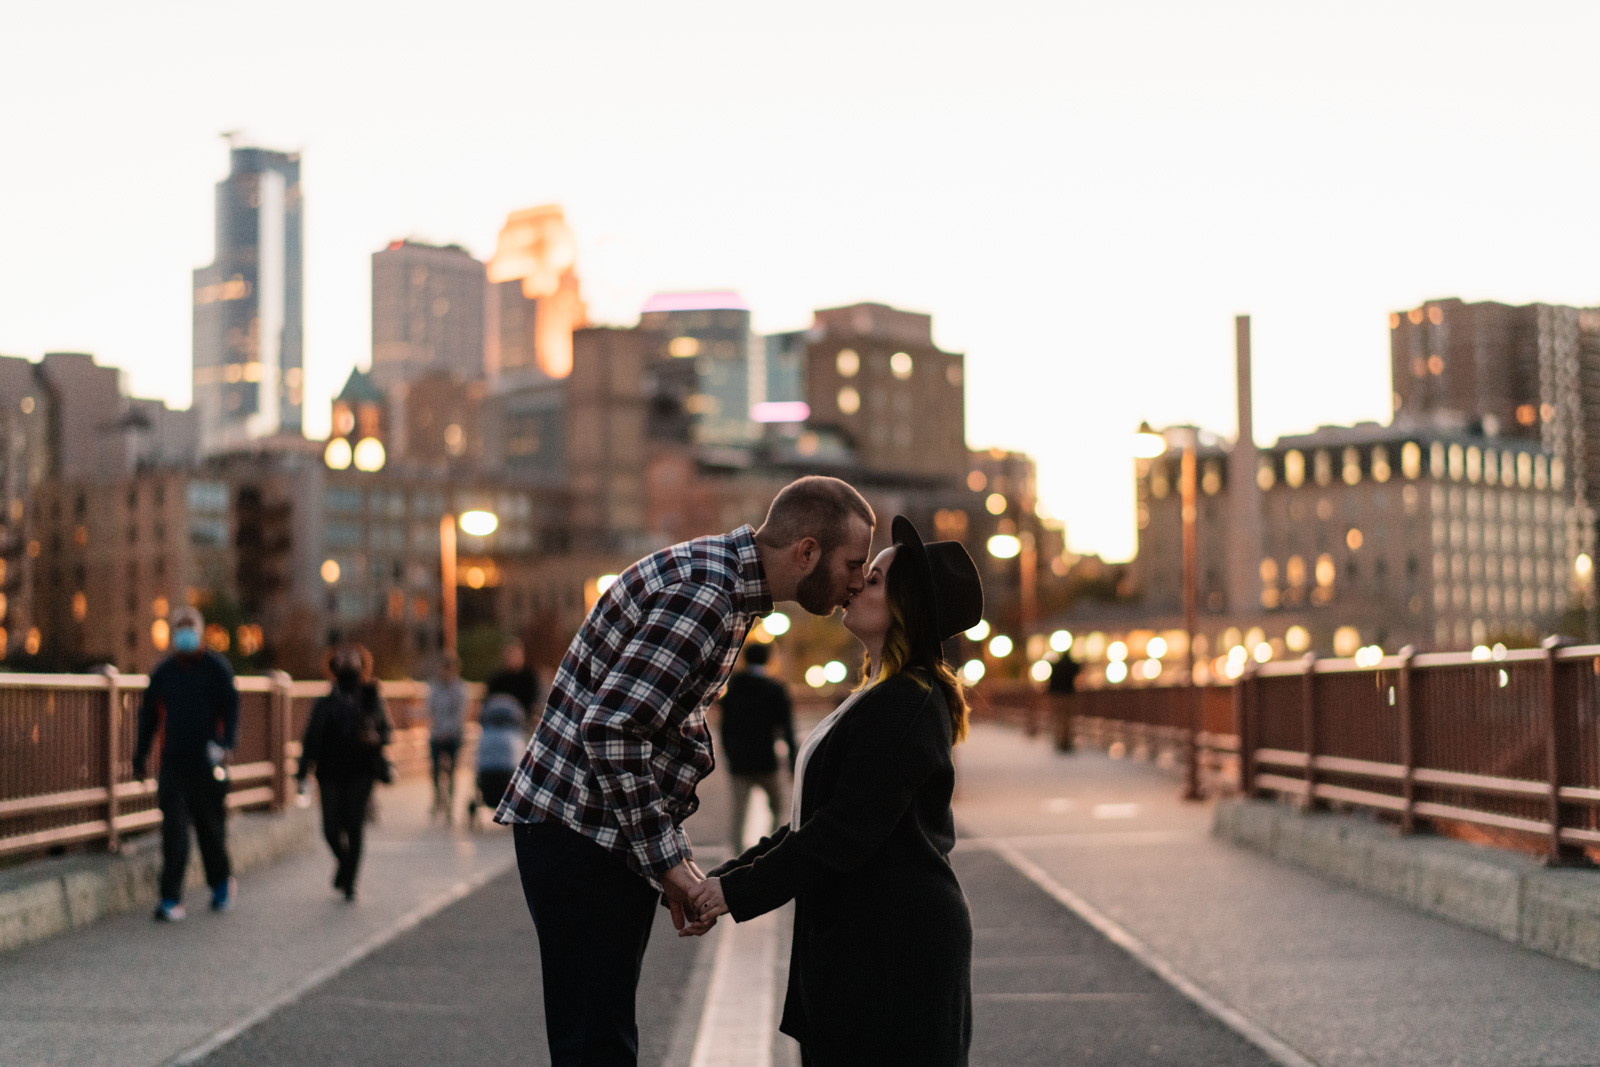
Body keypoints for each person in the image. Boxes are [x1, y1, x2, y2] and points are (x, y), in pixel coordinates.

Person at [496, 475, 876, 1067]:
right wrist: (670, 865)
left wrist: (670, 857)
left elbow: (645, 727)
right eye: (853, 564)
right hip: (580, 834)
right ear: (806, 552)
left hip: (590, 830)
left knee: (599, 1036)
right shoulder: (708, 596)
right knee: (596, 1044)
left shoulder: (719, 581)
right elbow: (614, 729)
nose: (858, 581)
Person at [690, 516, 983, 1067]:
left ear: (905, 607)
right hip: (862, 940)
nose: (854, 584)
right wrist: (725, 880)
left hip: (895, 950)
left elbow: (840, 833)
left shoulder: (908, 704)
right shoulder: (877, 694)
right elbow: (810, 819)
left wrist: (733, 894)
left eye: (872, 579)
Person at [133, 606, 240, 922]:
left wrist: (225, 745)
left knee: (211, 830)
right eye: (180, 628)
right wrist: (140, 755)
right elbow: (148, 717)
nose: (185, 634)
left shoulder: (216, 668)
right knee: (174, 831)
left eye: (189, 627)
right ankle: (170, 899)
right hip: (174, 764)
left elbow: (231, 710)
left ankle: (221, 883)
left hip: (207, 763)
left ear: (200, 631)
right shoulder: (164, 673)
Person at [296, 644, 392, 901]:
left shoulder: (372, 697)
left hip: (361, 771)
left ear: (363, 665)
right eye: (343, 660)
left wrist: (376, 737)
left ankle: (350, 881)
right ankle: (344, 863)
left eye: (353, 660)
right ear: (333, 666)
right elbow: (310, 737)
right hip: (329, 771)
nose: (348, 664)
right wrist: (302, 771)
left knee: (354, 825)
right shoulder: (325, 702)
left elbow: (386, 732)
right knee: (330, 828)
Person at [716, 641, 796, 853]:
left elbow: (724, 726)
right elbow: (786, 728)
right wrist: (792, 762)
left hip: (739, 760)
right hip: (765, 759)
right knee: (777, 808)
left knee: (738, 813)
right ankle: (769, 852)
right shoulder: (775, 689)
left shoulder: (734, 688)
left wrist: (727, 753)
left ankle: (736, 856)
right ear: (768, 659)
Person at [468, 691, 525, 827]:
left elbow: (476, 760)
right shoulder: (515, 738)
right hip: (506, 778)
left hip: (486, 777)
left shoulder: (485, 736)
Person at [427, 653, 468, 821]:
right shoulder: (434, 687)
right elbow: (431, 710)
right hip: (437, 733)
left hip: (453, 734)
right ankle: (438, 797)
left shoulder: (460, 689)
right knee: (435, 768)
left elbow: (460, 715)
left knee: (451, 771)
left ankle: (450, 802)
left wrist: (448, 731)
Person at [486, 639, 540, 720]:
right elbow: (491, 699)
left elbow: (533, 701)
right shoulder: (498, 678)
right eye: (511, 655)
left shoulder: (529, 677)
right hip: (499, 717)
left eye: (516, 655)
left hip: (522, 719)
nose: (513, 658)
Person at [1047, 649, 1082, 752]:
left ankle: (1059, 742)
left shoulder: (1056, 666)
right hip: (1068, 695)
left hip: (1057, 696)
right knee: (1067, 720)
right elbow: (1078, 670)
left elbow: (1051, 681)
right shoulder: (1072, 666)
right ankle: (1066, 743)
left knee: (1058, 719)